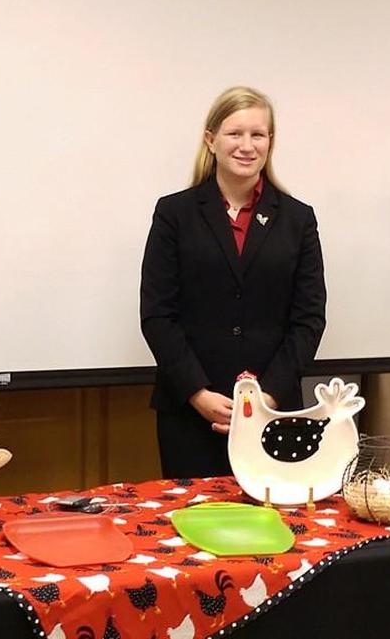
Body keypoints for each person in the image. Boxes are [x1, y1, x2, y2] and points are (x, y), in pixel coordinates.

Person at [140, 86, 327, 479]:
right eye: (234, 134)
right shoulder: (174, 214)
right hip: (190, 416)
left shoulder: (298, 220)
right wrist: (198, 394)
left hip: (274, 414)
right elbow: (158, 315)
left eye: (257, 135)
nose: (247, 145)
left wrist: (266, 396)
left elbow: (308, 319)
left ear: (270, 142)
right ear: (211, 140)